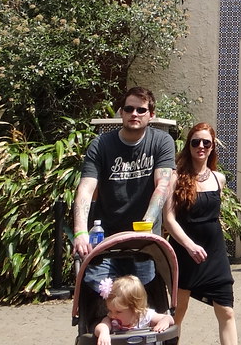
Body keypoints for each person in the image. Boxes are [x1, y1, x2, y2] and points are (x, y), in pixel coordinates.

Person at [73, 87, 176, 290]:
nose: (134, 114)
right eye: (129, 109)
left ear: (151, 114)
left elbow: (162, 185)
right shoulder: (101, 144)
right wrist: (80, 232)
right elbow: (85, 189)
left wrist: (146, 224)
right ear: (121, 112)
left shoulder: (161, 142)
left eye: (141, 110)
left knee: (143, 299)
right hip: (106, 239)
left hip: (144, 243)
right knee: (99, 292)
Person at [163, 123, 238, 345]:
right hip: (186, 253)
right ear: (189, 146)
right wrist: (189, 245)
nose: (201, 146)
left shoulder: (218, 178)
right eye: (196, 142)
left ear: (213, 146)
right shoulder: (176, 178)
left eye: (206, 142)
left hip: (215, 254)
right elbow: (169, 219)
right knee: (178, 311)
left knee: (227, 311)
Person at [94, 274, 174, 345]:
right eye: (110, 310)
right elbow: (101, 326)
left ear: (135, 309)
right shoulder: (111, 321)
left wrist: (164, 322)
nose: (113, 315)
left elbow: (168, 318)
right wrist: (104, 332)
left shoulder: (145, 317)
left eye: (118, 312)